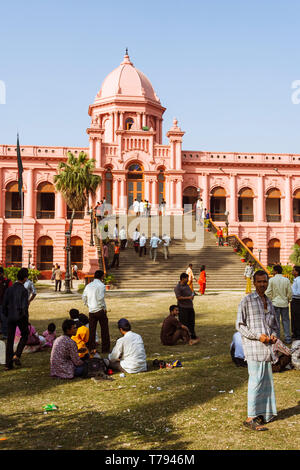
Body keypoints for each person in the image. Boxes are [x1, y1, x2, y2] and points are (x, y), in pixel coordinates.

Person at [236, 270, 278, 431]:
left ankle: (263, 413)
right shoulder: (247, 301)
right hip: (254, 349)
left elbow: (274, 326)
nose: (262, 284)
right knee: (255, 382)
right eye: (259, 281)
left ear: (268, 283)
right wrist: (257, 336)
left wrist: (273, 336)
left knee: (265, 382)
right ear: (254, 283)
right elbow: (240, 325)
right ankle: (250, 417)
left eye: (265, 281)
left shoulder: (269, 302)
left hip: (267, 350)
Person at [3, 267, 29, 370]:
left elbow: (4, 304)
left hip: (10, 316)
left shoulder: (9, 289)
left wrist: (7, 315)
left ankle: (8, 364)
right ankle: (17, 355)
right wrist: (26, 318)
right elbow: (24, 307)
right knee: (25, 334)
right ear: (25, 278)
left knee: (10, 340)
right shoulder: (23, 290)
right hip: (20, 316)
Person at [82, 270, 110, 354]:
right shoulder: (101, 285)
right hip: (99, 310)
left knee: (92, 330)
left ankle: (91, 347)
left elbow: (84, 296)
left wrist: (87, 304)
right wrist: (103, 307)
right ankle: (105, 349)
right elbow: (100, 298)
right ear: (101, 277)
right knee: (104, 330)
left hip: (91, 310)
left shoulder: (89, 285)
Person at [265, 264, 292, 344]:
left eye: (273, 270)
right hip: (284, 303)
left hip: (275, 303)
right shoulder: (286, 280)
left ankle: (277, 338)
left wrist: (269, 299)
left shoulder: (272, 280)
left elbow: (268, 292)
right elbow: (290, 292)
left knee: (276, 322)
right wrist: (289, 299)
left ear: (275, 271)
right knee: (286, 321)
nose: (272, 272)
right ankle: (288, 338)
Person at [174, 272, 200, 344]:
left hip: (190, 307)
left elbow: (189, 294)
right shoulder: (177, 287)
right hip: (183, 308)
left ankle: (192, 335)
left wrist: (192, 295)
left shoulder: (187, 286)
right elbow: (178, 297)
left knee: (191, 322)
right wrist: (188, 297)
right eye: (186, 278)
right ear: (182, 279)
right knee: (184, 323)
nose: (188, 279)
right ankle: (185, 337)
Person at [0, 267, 12, 339]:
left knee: (4, 319)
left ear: (2, 273)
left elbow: (11, 292)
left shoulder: (7, 281)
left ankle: (5, 333)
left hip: (4, 303)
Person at [291, 265, 300, 340]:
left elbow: (299, 292)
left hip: (297, 300)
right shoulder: (296, 279)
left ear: (297, 272)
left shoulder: (298, 280)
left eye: (293, 270)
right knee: (294, 317)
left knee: (297, 317)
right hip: (294, 300)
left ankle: (298, 334)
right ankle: (295, 333)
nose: (292, 271)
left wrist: (292, 293)